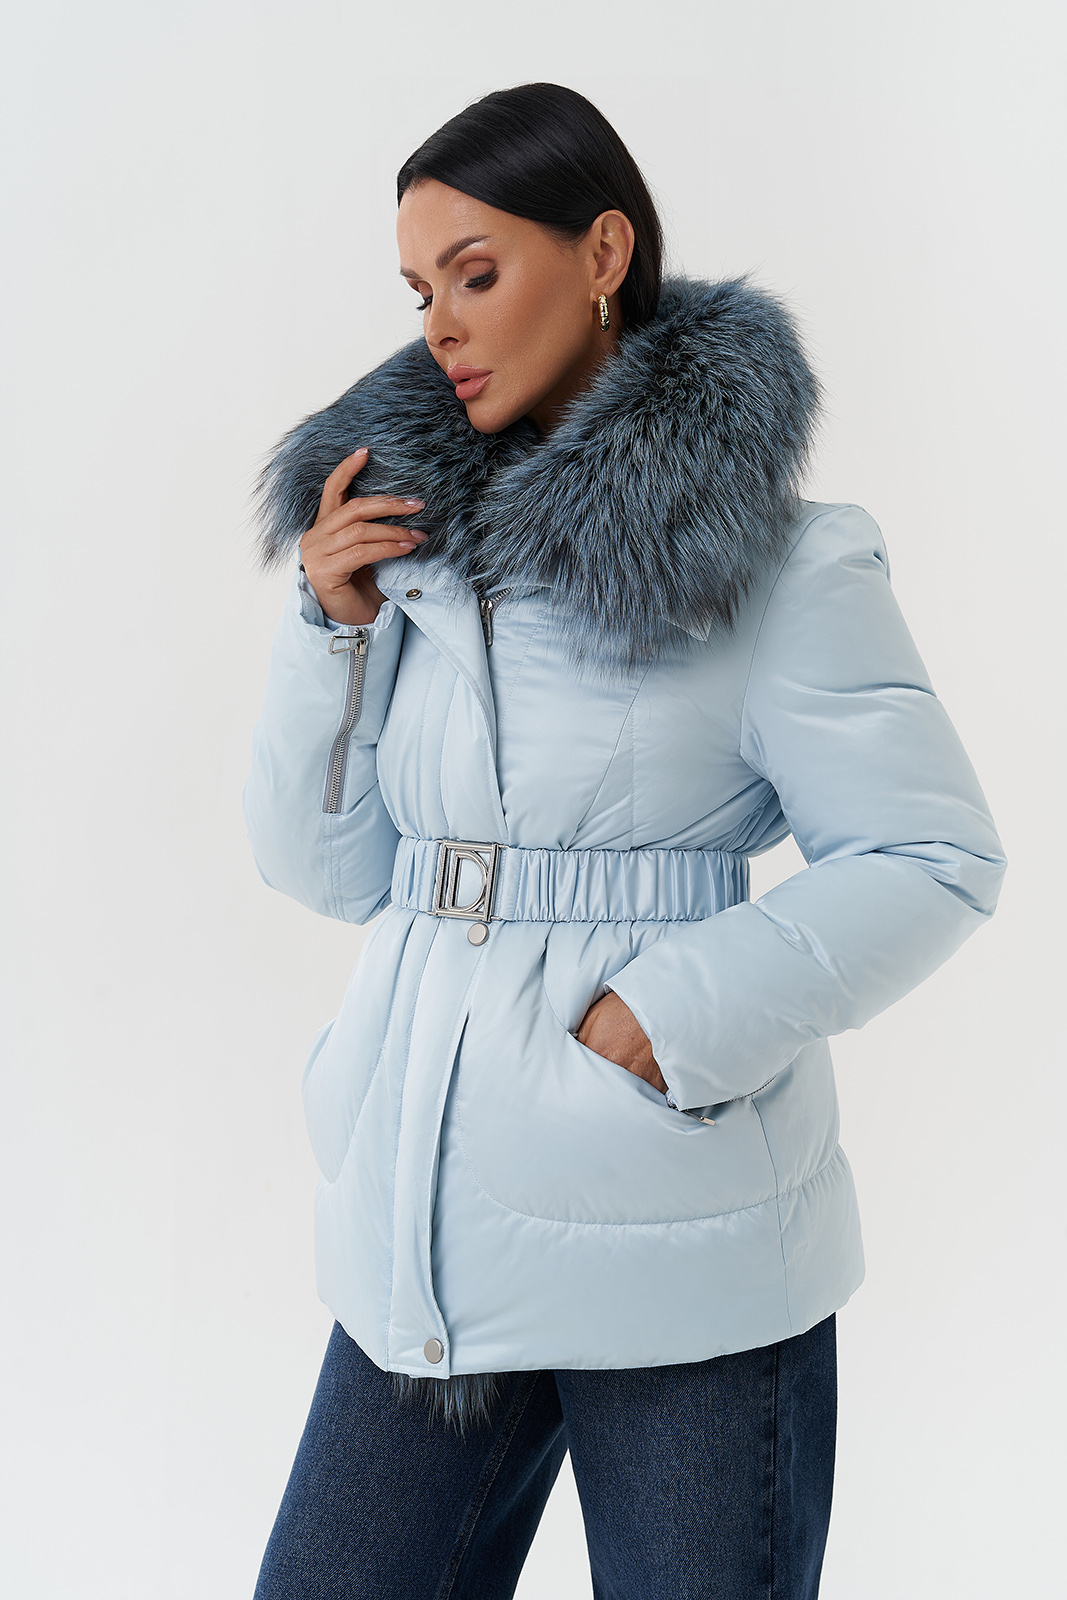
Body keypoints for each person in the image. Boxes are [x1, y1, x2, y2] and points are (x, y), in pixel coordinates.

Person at [243, 82, 1005, 1600]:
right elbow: (327, 872)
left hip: (680, 1243)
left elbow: (932, 858)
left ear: (603, 253)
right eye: (419, 290)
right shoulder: (410, 556)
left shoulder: (779, 563)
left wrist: (662, 1022)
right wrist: (330, 630)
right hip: (424, 1225)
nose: (442, 325)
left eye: (477, 272)